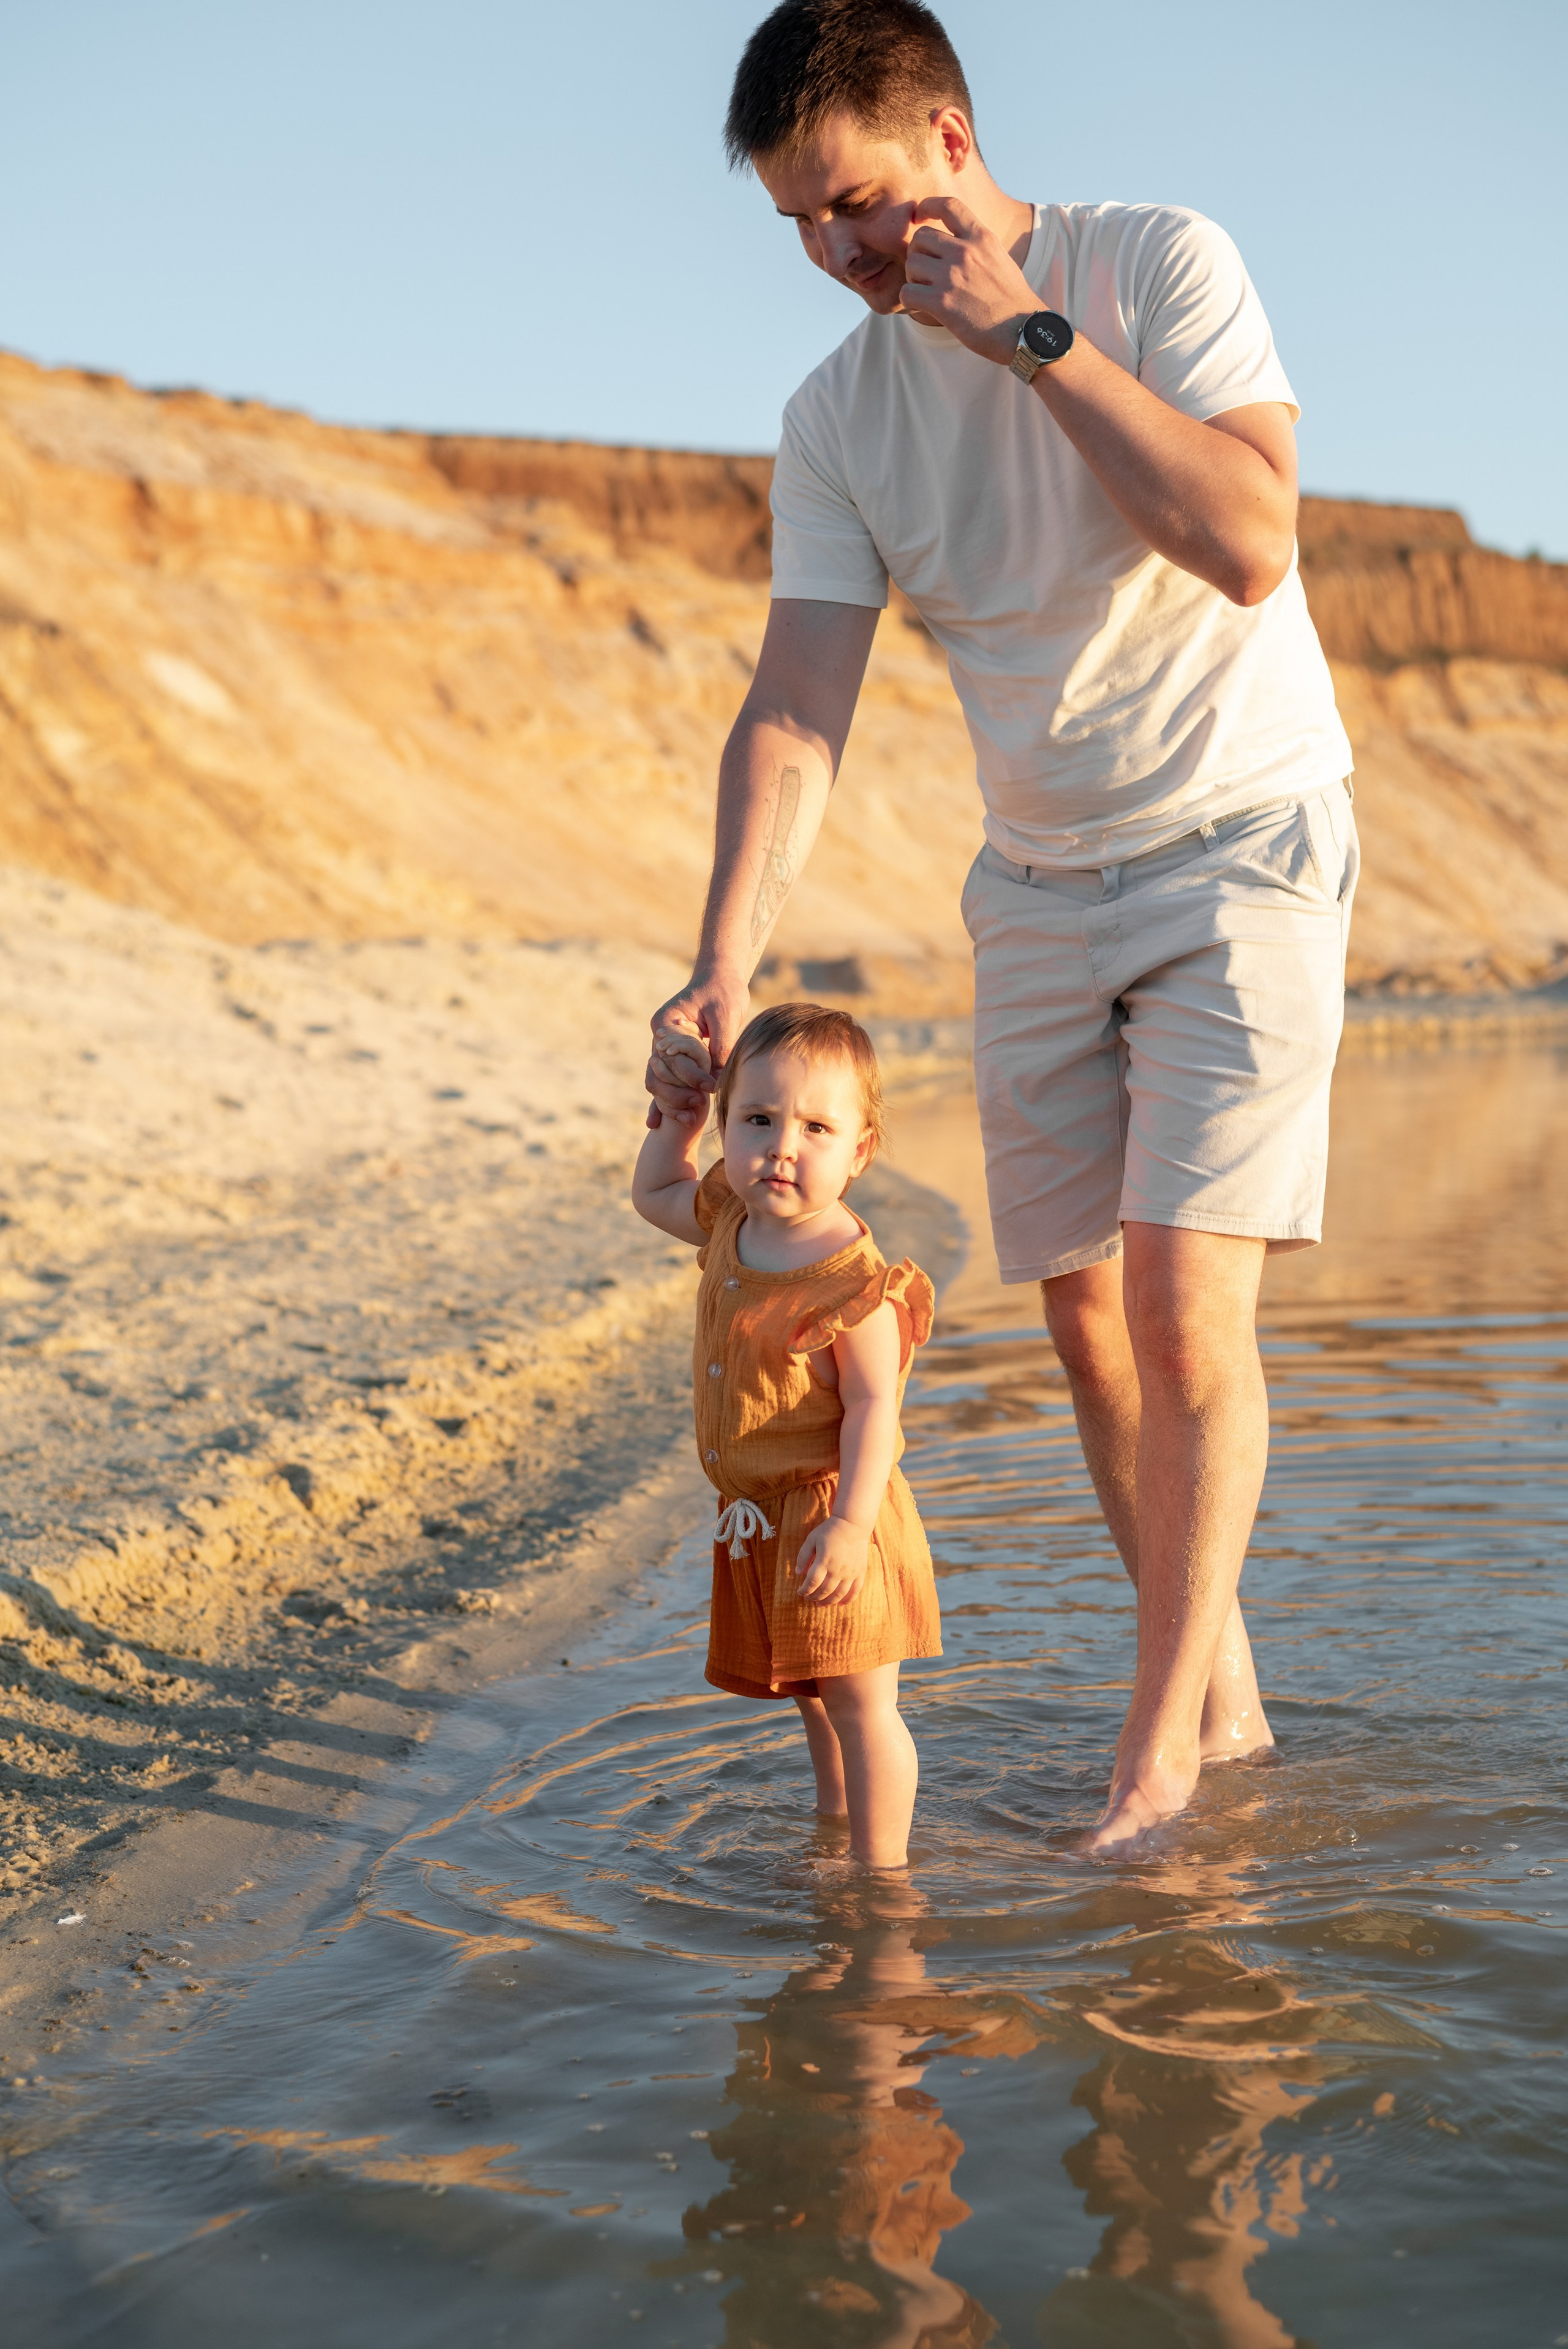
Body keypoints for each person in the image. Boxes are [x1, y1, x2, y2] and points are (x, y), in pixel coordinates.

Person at [645, 0, 1360, 1852]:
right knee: (1085, 1321)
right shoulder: (837, 418)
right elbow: (799, 701)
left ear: (953, 141)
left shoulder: (1148, 264)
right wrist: (724, 958)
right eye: (805, 225)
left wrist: (1025, 339)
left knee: (1192, 1296)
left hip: (1241, 836)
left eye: (865, 204)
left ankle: (1157, 1767)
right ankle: (1222, 1699)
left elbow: (1252, 535)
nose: (845, 253)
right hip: (1037, 877)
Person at [632, 1001, 940, 1869]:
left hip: (838, 1510)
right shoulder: (733, 1217)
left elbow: (877, 1408)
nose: (782, 1147)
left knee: (861, 1702)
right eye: (758, 1119)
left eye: (815, 1128)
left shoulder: (853, 1282)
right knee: (813, 1694)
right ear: (730, 1123)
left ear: (860, 1152)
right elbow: (655, 1194)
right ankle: (836, 1823)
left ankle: (883, 1878)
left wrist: (847, 1525)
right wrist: (679, 1125)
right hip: (763, 1519)